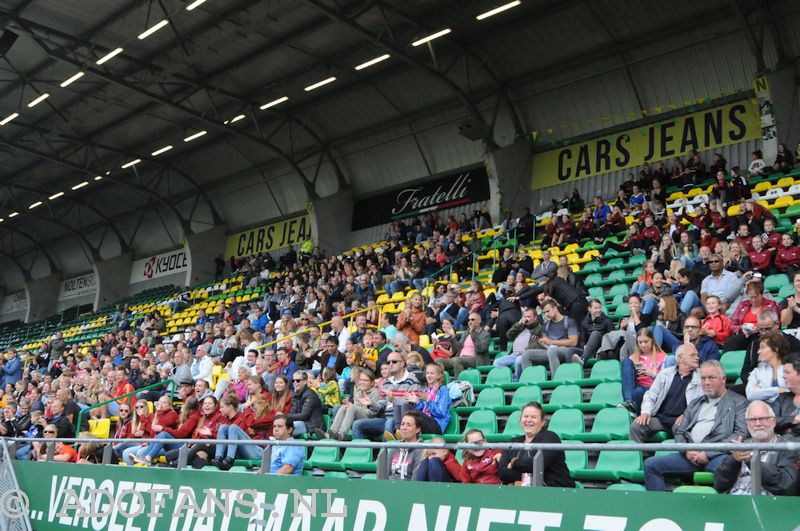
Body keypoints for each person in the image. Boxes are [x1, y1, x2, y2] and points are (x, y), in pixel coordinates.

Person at [643, 361, 748, 491]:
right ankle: (660, 510)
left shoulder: (739, 402)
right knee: (650, 465)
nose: (706, 382)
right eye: (703, 378)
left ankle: (723, 509)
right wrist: (686, 451)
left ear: (723, 379)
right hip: (690, 456)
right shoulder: (695, 403)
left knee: (730, 468)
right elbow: (679, 431)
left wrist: (707, 453)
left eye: (711, 378)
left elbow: (740, 434)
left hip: (719, 455)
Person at [714, 400, 798, 496]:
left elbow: (786, 485)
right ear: (747, 423)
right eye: (752, 420)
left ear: (774, 421)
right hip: (734, 502)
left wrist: (751, 460)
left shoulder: (786, 447)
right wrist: (734, 459)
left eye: (763, 419)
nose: (758, 424)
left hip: (769, 505)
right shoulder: (740, 446)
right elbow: (719, 484)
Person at [630, 345, 702, 442]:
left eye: (697, 355)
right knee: (636, 426)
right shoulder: (665, 374)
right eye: (692, 355)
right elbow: (650, 396)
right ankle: (638, 456)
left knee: (682, 428)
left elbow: (702, 402)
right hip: (661, 419)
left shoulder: (701, 377)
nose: (697, 358)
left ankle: (681, 456)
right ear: (680, 358)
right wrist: (645, 412)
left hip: (681, 420)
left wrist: (687, 415)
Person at [498, 402, 574, 487]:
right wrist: (528, 475)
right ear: (520, 421)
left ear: (542, 422)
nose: (529, 420)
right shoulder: (513, 442)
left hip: (557, 491)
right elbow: (503, 472)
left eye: (533, 417)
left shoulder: (551, 437)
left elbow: (536, 464)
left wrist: (514, 463)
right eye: (526, 416)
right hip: (526, 492)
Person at [353, 351, 420, 441]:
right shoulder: (387, 382)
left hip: (402, 421)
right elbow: (382, 405)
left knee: (389, 423)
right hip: (385, 419)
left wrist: (394, 399)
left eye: (394, 362)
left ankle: (386, 454)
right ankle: (361, 454)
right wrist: (371, 403)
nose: (390, 364)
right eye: (388, 362)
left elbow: (412, 407)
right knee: (357, 424)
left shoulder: (412, 381)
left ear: (402, 363)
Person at [517, 299, 580, 379]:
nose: (546, 314)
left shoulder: (569, 321)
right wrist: (542, 343)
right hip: (550, 351)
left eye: (548, 311)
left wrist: (551, 342)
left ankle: (556, 380)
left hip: (566, 350)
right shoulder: (547, 325)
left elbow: (573, 342)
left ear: (555, 308)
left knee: (552, 351)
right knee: (527, 354)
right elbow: (547, 345)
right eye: (544, 312)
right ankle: (531, 381)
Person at [324, 370, 382, 440]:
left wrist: (355, 408)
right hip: (358, 418)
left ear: (372, 383)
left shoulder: (375, 392)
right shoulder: (359, 392)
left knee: (351, 407)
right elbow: (355, 408)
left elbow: (372, 413)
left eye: (366, 380)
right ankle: (330, 433)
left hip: (370, 421)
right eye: (361, 380)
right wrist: (352, 408)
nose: (362, 382)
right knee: (344, 407)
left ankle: (341, 435)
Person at [620, 328, 667, 413]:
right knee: (626, 362)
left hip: (653, 388)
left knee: (639, 391)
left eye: (646, 341)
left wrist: (651, 373)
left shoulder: (663, 356)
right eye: (640, 342)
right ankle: (629, 402)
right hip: (637, 386)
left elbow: (666, 380)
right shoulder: (633, 357)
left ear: (652, 340)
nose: (643, 345)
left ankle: (635, 410)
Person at [724, 279, 780, 351]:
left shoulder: (771, 304)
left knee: (756, 340)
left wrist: (758, 329)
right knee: (731, 341)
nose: (753, 300)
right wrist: (741, 328)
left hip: (763, 334)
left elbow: (776, 323)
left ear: (762, 294)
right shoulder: (743, 305)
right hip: (745, 335)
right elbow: (732, 325)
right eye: (751, 297)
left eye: (756, 297)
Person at [437, 312, 491, 378]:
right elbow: (457, 350)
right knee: (439, 360)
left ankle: (458, 385)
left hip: (475, 359)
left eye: (472, 319)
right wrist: (453, 338)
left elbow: (481, 349)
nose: (470, 322)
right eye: (469, 320)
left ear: (479, 321)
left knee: (458, 360)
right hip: (460, 358)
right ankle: (440, 385)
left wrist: (473, 333)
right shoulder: (466, 333)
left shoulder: (485, 334)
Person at [493, 307, 544, 374]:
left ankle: (517, 379)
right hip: (514, 355)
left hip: (526, 355)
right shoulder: (521, 327)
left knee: (518, 360)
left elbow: (537, 343)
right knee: (497, 362)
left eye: (528, 316)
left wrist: (526, 350)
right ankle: (510, 377)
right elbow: (508, 335)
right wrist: (518, 324)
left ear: (535, 317)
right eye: (525, 316)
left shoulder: (539, 329)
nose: (526, 319)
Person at [377, 410, 425, 480]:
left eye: (409, 425)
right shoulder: (395, 448)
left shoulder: (421, 450)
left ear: (417, 429)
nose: (404, 428)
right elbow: (385, 475)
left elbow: (415, 481)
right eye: (402, 424)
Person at [404, 363, 450, 435]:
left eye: (432, 373)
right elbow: (422, 410)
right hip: (425, 423)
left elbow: (441, 413)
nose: (429, 376)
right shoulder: (426, 390)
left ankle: (404, 432)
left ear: (439, 375)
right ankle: (400, 430)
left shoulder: (443, 390)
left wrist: (428, 401)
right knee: (405, 406)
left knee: (410, 410)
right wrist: (417, 402)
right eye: (427, 373)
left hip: (437, 426)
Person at [745, 331, 789, 404]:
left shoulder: (791, 369)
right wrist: (777, 390)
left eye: (763, 347)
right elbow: (750, 395)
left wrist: (762, 390)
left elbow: (793, 390)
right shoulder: (756, 372)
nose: (758, 352)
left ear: (776, 348)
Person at [574, 299, 614, 365]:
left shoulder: (607, 320)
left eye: (600, 308)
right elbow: (582, 340)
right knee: (569, 351)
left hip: (603, 348)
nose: (598, 310)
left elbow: (612, 338)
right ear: (589, 309)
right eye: (596, 308)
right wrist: (584, 346)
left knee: (595, 333)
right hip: (590, 350)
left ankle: (583, 358)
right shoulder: (584, 322)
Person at [285, 371, 324, 436]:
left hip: (313, 426)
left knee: (284, 430)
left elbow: (304, 416)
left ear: (305, 381)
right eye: (293, 380)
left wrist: (285, 416)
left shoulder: (310, 395)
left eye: (298, 380)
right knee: (280, 425)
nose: (295, 383)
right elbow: (293, 413)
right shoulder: (295, 395)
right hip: (303, 423)